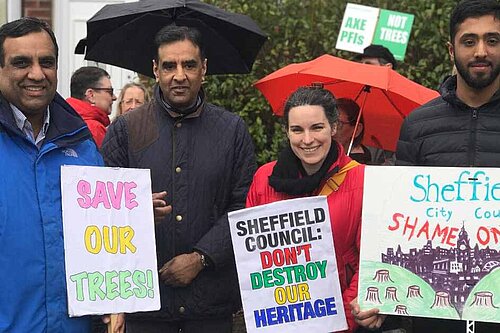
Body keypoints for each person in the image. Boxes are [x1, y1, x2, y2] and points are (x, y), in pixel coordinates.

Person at [352, 0, 500, 332]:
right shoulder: (418, 125)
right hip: (434, 318)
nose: (481, 51)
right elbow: (397, 220)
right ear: (452, 50)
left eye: (492, 40)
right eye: (469, 40)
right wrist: (384, 304)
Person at [101, 25, 256, 333]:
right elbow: (102, 208)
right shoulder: (125, 130)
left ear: (204, 68)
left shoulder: (232, 131)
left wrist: (202, 257)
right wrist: (136, 213)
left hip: (210, 303)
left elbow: (243, 205)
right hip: (146, 303)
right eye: (169, 66)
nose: (179, 75)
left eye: (189, 65)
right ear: (156, 70)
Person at [0, 17, 123, 332]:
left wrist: (128, 216)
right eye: (21, 63)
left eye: (47, 62)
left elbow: (100, 235)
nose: (37, 74)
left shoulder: (82, 145)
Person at [246, 86, 365, 332]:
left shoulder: (361, 179)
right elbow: (253, 260)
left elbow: (369, 263)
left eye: (317, 128)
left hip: (341, 321)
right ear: (287, 132)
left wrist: (340, 321)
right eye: (297, 130)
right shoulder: (263, 177)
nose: (307, 140)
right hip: (280, 320)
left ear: (333, 128)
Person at [66, 66, 116, 147]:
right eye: (110, 91)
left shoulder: (61, 119)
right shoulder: (94, 128)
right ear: (91, 95)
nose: (114, 97)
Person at [333, 98, 372, 164]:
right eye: (330, 122)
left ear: (357, 130)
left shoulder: (359, 165)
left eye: (339, 124)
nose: (332, 131)